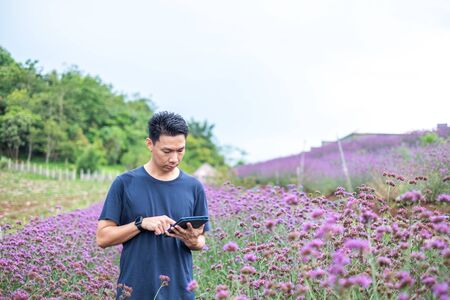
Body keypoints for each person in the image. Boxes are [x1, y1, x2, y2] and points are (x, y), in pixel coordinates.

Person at [96, 111, 209, 299]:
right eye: (167, 151)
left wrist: (193, 241)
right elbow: (102, 238)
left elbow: (201, 240)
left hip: (180, 292)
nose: (174, 158)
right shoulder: (125, 183)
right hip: (134, 292)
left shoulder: (194, 187)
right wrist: (140, 224)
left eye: (180, 150)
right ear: (150, 144)